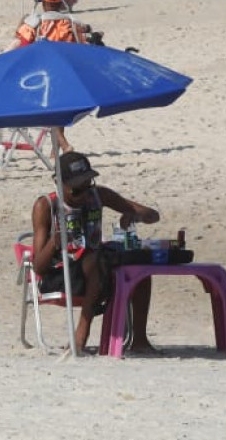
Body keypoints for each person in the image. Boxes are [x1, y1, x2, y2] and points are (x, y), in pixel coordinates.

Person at [30, 152, 162, 354]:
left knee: (138, 267)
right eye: (76, 189)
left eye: (88, 184)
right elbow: (38, 266)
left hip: (97, 270)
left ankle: (140, 338)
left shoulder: (99, 195)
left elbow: (153, 215)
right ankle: (83, 329)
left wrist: (133, 214)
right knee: (94, 258)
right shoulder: (46, 206)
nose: (84, 193)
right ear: (59, 183)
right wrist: (54, 243)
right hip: (61, 274)